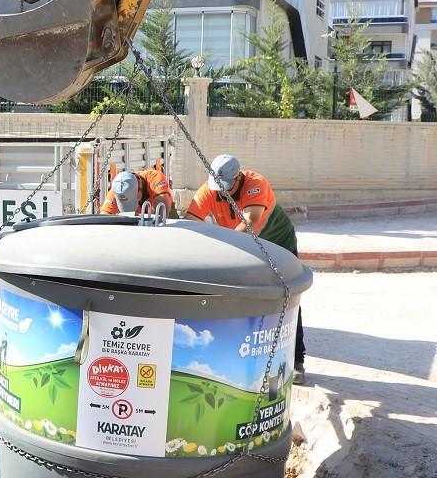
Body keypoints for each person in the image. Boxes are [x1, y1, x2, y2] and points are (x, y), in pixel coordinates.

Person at [184, 154, 305, 375]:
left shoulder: (255, 183)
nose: (222, 192)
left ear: (238, 177)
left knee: (286, 297)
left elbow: (251, 221)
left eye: (227, 187)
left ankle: (297, 360)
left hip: (277, 242)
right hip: (242, 246)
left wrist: (221, 250)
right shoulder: (209, 191)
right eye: (218, 187)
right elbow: (190, 222)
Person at [100, 164, 173, 216]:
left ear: (140, 186)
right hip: (137, 220)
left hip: (168, 213)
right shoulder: (118, 189)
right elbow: (104, 216)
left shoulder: (155, 178)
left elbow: (163, 212)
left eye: (133, 199)